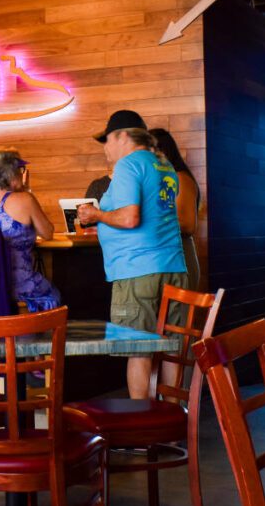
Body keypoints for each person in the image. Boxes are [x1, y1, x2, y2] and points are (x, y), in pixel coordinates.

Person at [77, 110, 187, 399]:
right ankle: (172, 419)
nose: (105, 147)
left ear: (123, 136)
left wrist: (95, 214)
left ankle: (140, 427)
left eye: (107, 140)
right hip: (173, 266)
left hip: (137, 270)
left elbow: (129, 219)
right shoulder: (164, 165)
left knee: (138, 351)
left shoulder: (128, 165)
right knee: (170, 348)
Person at [0, 147, 60, 312]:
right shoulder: (24, 199)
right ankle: (41, 336)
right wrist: (26, 192)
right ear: (10, 172)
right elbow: (48, 233)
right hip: (20, 286)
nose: (23, 173)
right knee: (53, 294)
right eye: (20, 169)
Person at [150, 127, 201, 290]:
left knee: (177, 315)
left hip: (179, 260)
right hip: (164, 261)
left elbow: (186, 225)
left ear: (161, 152)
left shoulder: (180, 177)